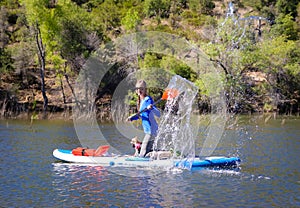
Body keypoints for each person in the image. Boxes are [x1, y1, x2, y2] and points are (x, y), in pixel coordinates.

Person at [128, 80, 161, 157]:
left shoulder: (148, 100)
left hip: (152, 131)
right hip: (148, 131)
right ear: (136, 90)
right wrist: (132, 118)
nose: (139, 90)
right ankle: (157, 156)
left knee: (143, 153)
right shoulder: (140, 101)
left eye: (142, 89)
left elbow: (158, 114)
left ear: (145, 90)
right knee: (146, 151)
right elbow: (140, 115)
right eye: (138, 88)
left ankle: (161, 156)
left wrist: (152, 108)